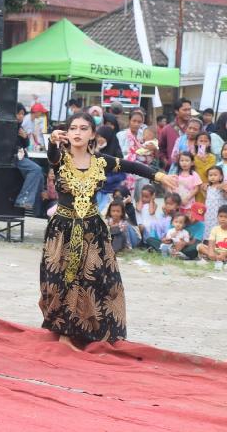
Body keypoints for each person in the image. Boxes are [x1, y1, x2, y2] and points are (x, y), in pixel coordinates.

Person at [39, 112, 176, 351]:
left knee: (93, 281)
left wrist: (160, 176)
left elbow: (131, 166)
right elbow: (51, 156)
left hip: (93, 230)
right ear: (67, 133)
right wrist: (52, 141)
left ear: (93, 134)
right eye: (73, 128)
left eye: (84, 128)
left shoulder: (101, 161)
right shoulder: (60, 158)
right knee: (60, 281)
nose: (78, 133)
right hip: (63, 229)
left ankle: (81, 332)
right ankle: (62, 331)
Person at [14, 103, 45, 211]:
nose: (21, 116)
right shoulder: (13, 125)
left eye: (22, 114)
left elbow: (25, 143)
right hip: (14, 157)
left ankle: (39, 208)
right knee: (36, 169)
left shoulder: (21, 125)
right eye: (19, 114)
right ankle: (24, 200)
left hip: (21, 155)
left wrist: (25, 137)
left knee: (40, 175)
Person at [159, 98, 192, 170]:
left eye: (189, 109)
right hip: (172, 169)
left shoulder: (195, 128)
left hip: (191, 171)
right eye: (185, 110)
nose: (188, 112)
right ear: (176, 111)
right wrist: (166, 162)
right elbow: (161, 149)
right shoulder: (167, 129)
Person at [197, 205, 227, 269]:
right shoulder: (215, 229)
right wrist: (211, 252)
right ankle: (217, 259)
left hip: (225, 253)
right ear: (217, 217)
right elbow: (211, 242)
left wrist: (224, 254)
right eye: (221, 216)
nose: (223, 219)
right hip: (216, 252)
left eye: (226, 217)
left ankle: (219, 259)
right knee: (200, 246)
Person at [201, 166, 227, 237]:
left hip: (219, 212)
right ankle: (208, 240)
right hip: (209, 212)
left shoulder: (222, 186)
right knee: (209, 225)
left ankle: (220, 241)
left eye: (215, 175)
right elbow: (207, 198)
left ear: (221, 177)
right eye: (210, 175)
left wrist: (224, 189)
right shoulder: (208, 187)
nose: (212, 177)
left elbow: (225, 197)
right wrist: (203, 190)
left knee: (219, 224)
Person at [194, 132, 217, 203]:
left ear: (209, 144)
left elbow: (210, 172)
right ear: (196, 143)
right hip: (195, 186)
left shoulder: (212, 157)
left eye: (206, 141)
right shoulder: (193, 156)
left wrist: (204, 161)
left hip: (207, 185)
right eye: (201, 141)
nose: (203, 143)